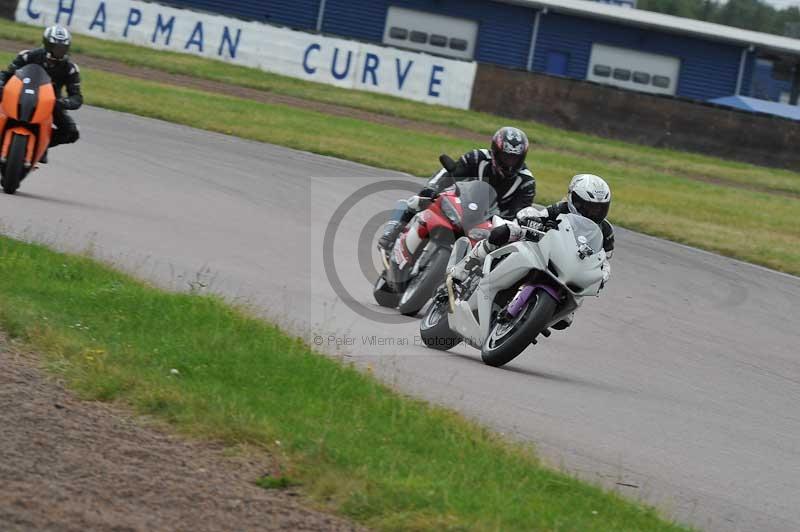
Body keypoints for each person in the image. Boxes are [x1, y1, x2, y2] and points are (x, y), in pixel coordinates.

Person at [449, 173, 614, 329]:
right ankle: (463, 269)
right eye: (588, 207)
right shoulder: (560, 209)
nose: (593, 213)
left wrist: (602, 275)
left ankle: (536, 318)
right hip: (543, 249)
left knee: (566, 318)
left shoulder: (606, 231)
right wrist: (535, 221)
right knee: (503, 233)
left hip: (571, 268)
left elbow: (604, 259)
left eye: (599, 209)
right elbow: (535, 215)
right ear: (573, 200)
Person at [378, 126, 536, 251]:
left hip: (489, 224)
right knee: (421, 198)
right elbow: (451, 173)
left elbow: (519, 215)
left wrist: (505, 227)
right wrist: (433, 188)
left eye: (514, 159)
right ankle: (393, 232)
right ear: (495, 151)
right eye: (506, 157)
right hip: (460, 204)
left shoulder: (526, 182)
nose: (509, 163)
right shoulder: (477, 157)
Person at [0, 25, 82, 162]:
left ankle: (41, 146)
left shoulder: (70, 69)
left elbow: (77, 97)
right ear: (47, 45)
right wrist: (1, 84)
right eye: (57, 47)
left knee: (71, 132)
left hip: (50, 102)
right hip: (19, 94)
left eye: (64, 48)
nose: (61, 51)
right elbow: (6, 74)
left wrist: (63, 102)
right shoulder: (28, 56)